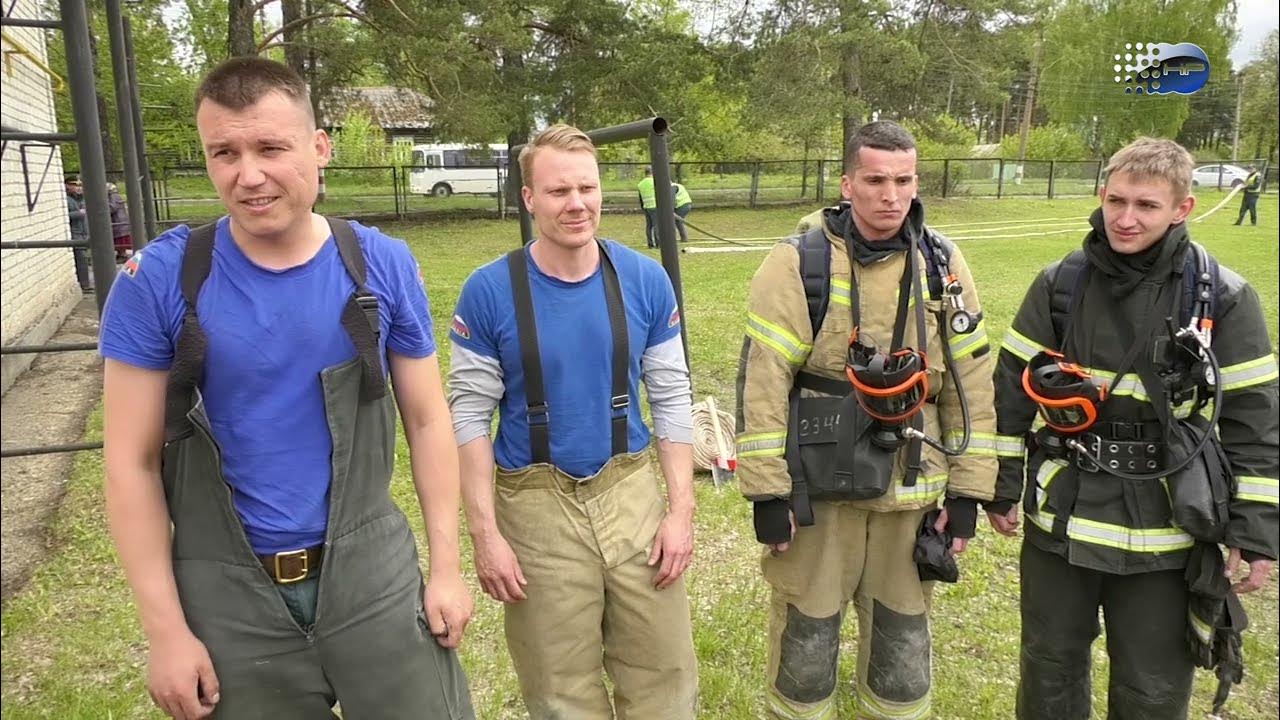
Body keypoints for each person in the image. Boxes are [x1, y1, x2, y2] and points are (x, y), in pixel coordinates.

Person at [99, 56, 474, 720]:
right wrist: (166, 633)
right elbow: (131, 462)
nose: (248, 175)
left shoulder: (381, 265)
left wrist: (446, 568)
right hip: (229, 602)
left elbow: (427, 420)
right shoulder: (156, 281)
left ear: (319, 147)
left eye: (270, 148)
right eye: (225, 153)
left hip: (372, 581)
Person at [993, 137, 1278, 719]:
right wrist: (1000, 486)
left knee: (1152, 690)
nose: (1125, 219)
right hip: (1061, 525)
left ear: (1182, 209)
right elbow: (1009, 393)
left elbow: (1256, 422)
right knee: (1048, 670)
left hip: (1167, 536)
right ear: (1102, 195)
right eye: (1116, 201)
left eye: (1146, 205)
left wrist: (1256, 533)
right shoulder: (1061, 284)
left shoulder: (1223, 297)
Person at [736, 120, 1002, 720]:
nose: (891, 196)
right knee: (805, 648)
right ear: (847, 183)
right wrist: (768, 494)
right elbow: (763, 382)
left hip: (910, 492)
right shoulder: (798, 262)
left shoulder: (942, 263)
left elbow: (970, 381)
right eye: (876, 180)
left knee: (902, 655)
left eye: (904, 181)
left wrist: (968, 492)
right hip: (819, 492)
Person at [448, 123, 698, 719]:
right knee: (559, 692)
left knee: (665, 676)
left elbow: (671, 396)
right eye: (558, 191)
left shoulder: (646, 280)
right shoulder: (488, 291)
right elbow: (469, 415)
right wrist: (486, 536)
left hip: (630, 493)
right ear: (529, 198)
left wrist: (680, 511)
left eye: (587, 188)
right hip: (535, 506)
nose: (577, 204)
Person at [65, 175, 91, 291]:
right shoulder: (66, 199)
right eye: (75, 185)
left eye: (80, 185)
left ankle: (84, 283)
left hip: (83, 232)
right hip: (74, 232)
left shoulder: (82, 199)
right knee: (81, 258)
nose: (78, 188)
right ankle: (84, 284)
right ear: (67, 186)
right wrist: (79, 213)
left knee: (84, 258)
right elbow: (62, 215)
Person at [107, 182, 133, 261]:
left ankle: (122, 255)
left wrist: (104, 207)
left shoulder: (113, 196)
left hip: (118, 221)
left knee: (120, 240)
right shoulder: (115, 196)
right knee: (119, 240)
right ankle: (120, 254)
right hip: (120, 220)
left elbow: (113, 208)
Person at [637, 166, 658, 248]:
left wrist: (643, 207)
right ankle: (658, 243)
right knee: (656, 225)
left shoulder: (640, 184)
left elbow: (640, 198)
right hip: (655, 205)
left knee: (649, 226)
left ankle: (650, 243)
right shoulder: (654, 182)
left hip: (646, 206)